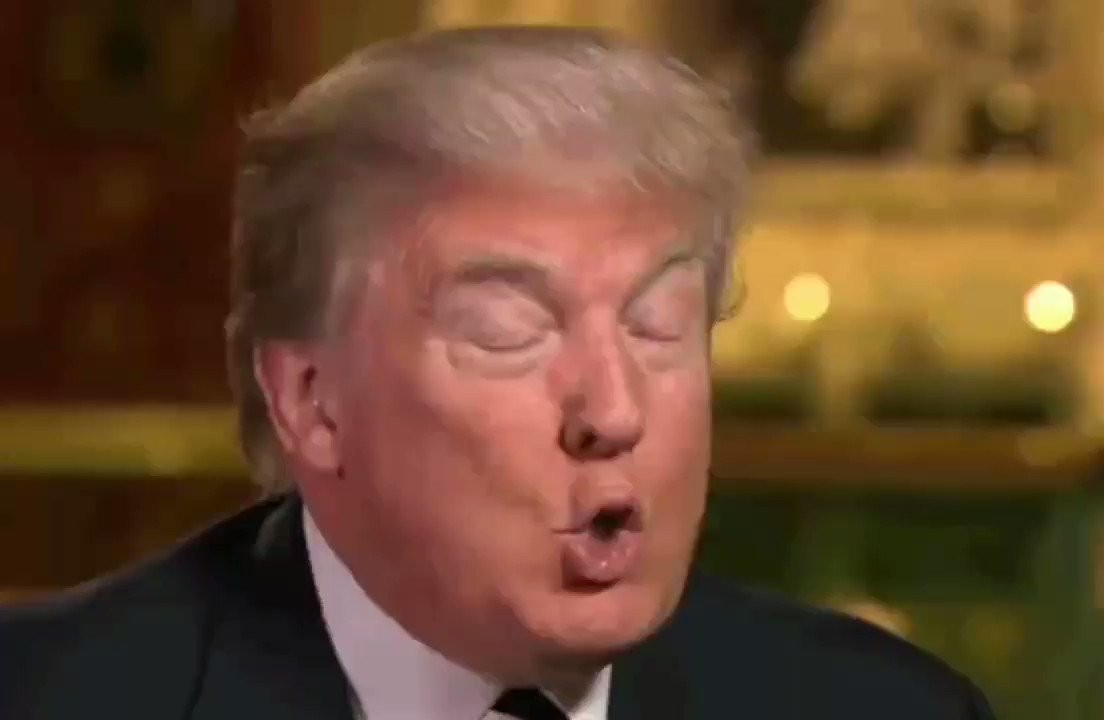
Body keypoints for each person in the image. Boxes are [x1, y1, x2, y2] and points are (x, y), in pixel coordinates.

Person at [0, 26, 995, 720]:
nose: (615, 410)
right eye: (510, 332)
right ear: (313, 402)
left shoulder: (884, 710)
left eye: (658, 325)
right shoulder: (50, 699)